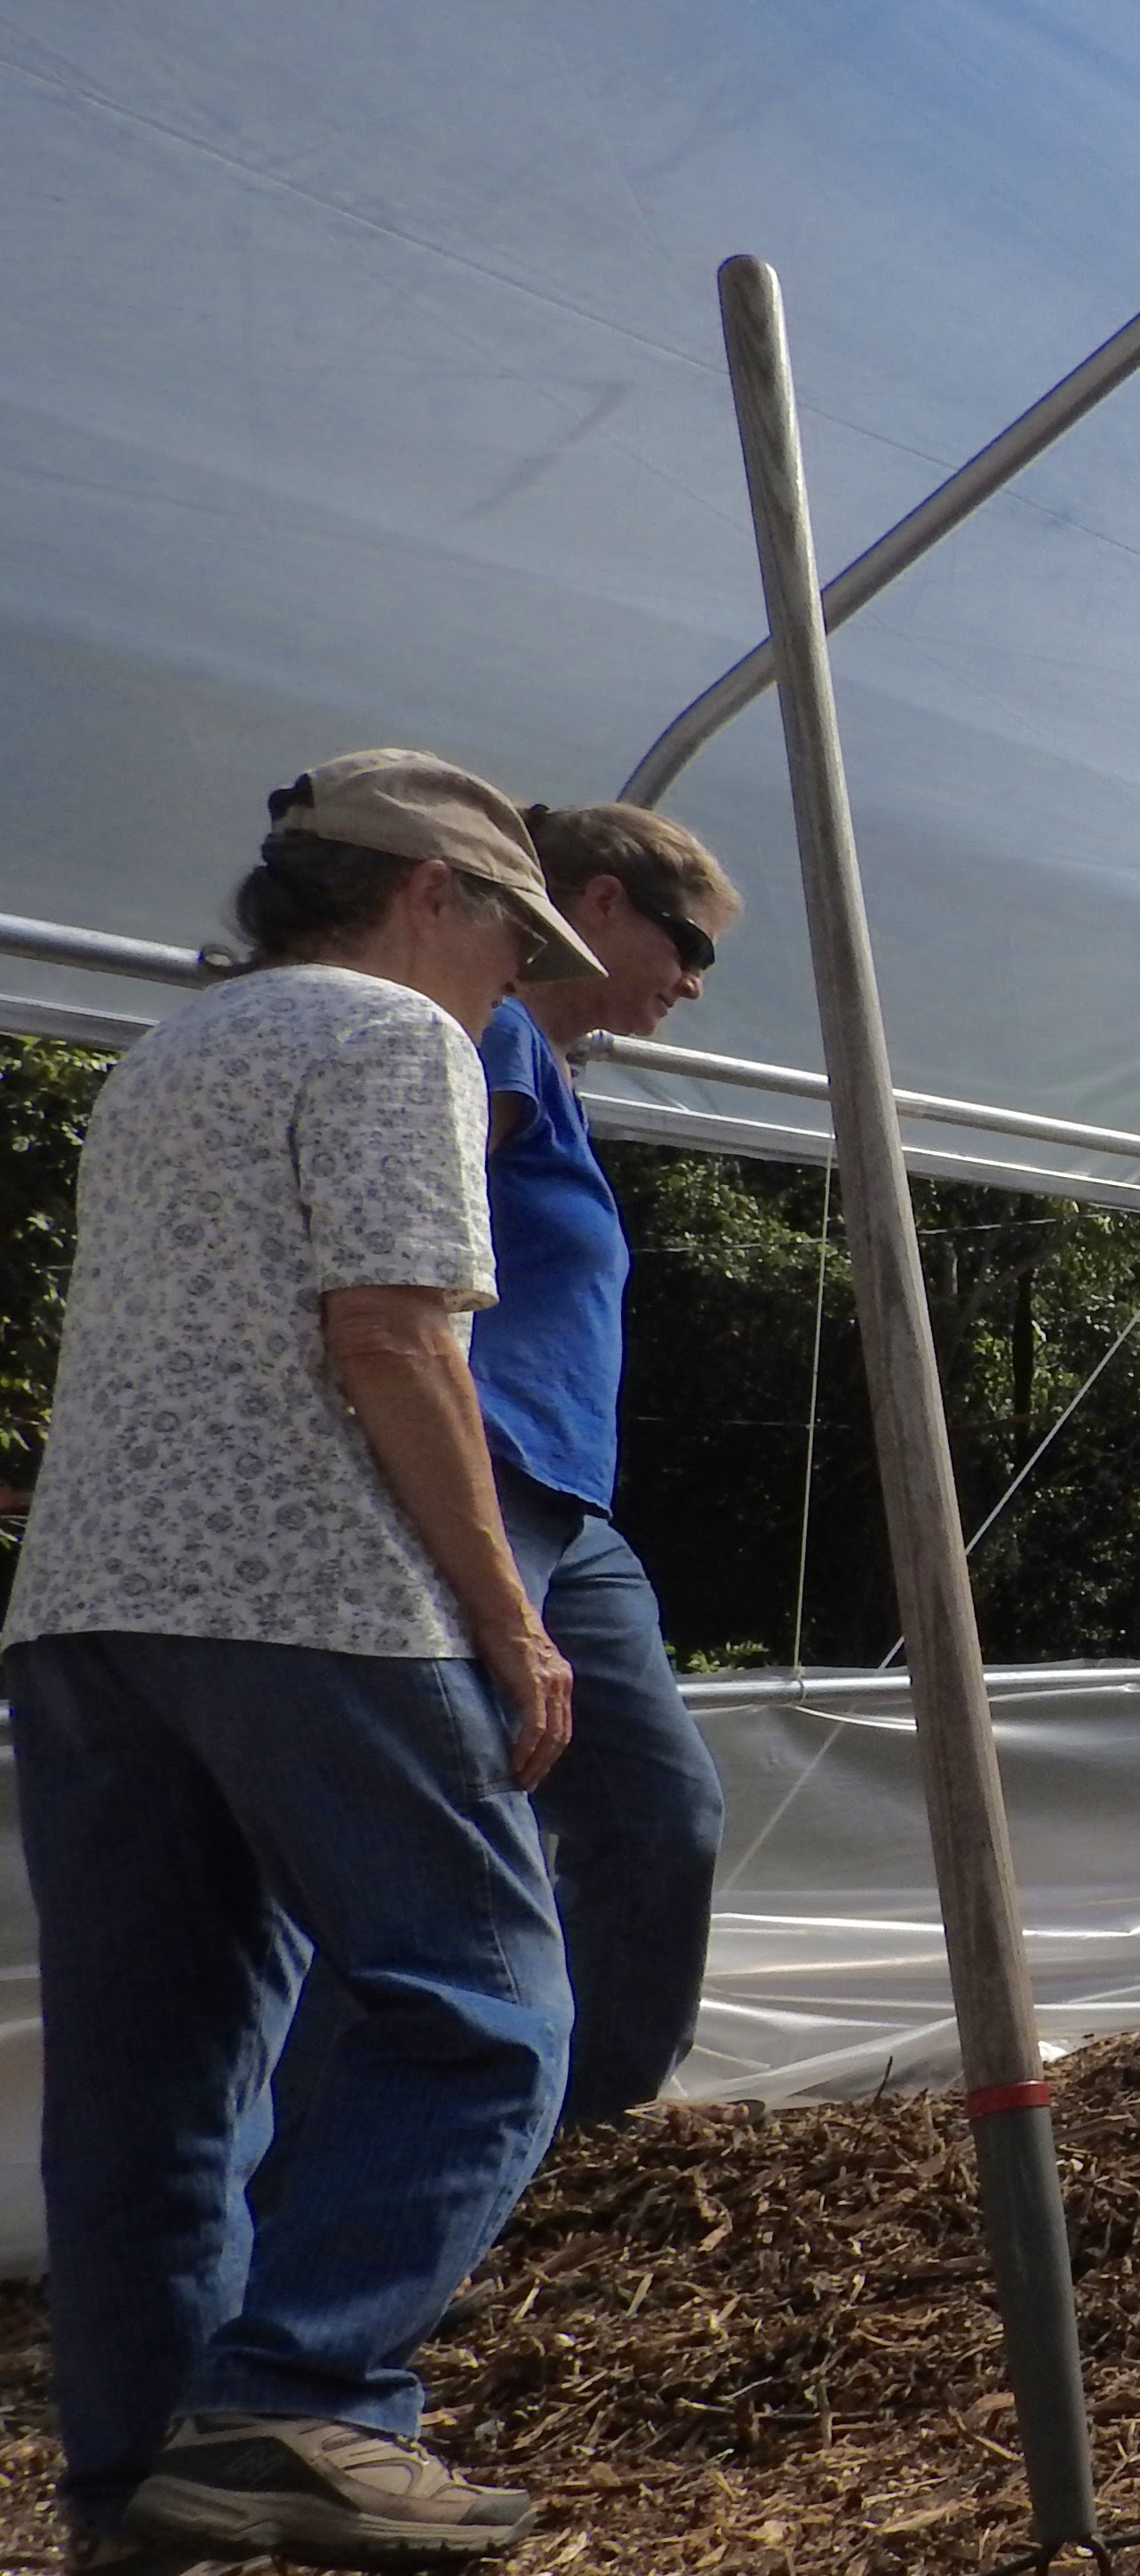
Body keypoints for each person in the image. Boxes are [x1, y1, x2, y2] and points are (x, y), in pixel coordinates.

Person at [5, 752, 597, 2576]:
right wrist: (509, 1620)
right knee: (484, 2008)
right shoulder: (395, 1038)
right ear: (432, 891)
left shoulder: (165, 1055)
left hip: (89, 1607)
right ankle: (304, 2395)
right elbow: (394, 1335)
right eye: (514, 939)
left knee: (155, 2076)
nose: (514, 985)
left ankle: (136, 2502)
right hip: (309, 1593)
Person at [274, 801, 738, 2132]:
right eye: (690, 944)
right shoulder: (491, 1042)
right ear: (600, 901)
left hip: (565, 1507)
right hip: (476, 1477)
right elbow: (383, 1249)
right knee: (435, 1844)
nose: (693, 985)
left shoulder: (548, 1071)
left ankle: (576, 2128)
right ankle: (339, 2177)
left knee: (660, 1814)